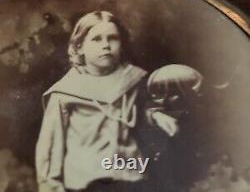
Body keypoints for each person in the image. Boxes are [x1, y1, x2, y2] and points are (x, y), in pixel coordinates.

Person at [35, 11, 186, 192]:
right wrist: (51, 186)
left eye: (112, 38)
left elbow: (139, 111)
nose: (106, 46)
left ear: (121, 45)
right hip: (86, 181)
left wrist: (157, 116)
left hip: (130, 177)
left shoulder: (133, 79)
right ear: (79, 47)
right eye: (96, 39)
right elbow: (50, 145)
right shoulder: (66, 91)